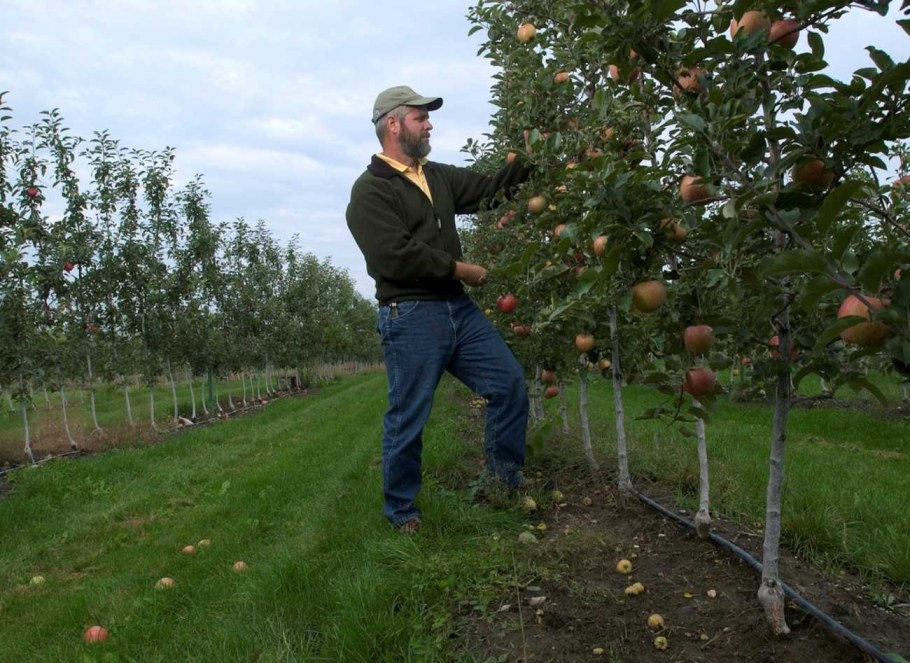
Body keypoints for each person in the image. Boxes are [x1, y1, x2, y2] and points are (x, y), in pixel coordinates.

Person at [345, 85, 531, 533]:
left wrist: (530, 155)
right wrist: (458, 268)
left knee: (509, 385)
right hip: (410, 314)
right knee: (408, 417)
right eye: (420, 117)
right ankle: (402, 513)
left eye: (428, 117)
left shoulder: (437, 176)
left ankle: (502, 485)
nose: (429, 124)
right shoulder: (370, 190)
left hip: (457, 310)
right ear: (393, 124)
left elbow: (489, 191)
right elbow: (395, 254)